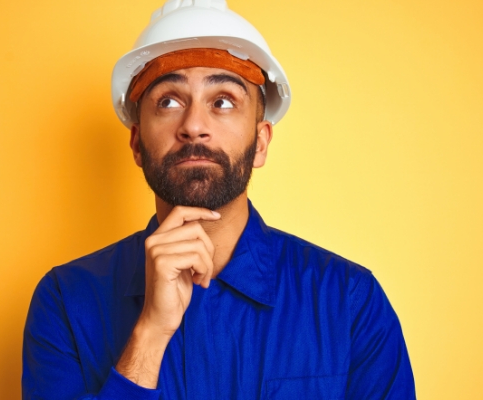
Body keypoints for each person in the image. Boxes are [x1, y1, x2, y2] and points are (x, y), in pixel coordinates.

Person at [22, 1, 416, 399]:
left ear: (260, 142)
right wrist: (150, 335)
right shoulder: (66, 302)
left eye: (223, 101)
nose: (193, 125)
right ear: (138, 142)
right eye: (168, 101)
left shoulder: (349, 302)